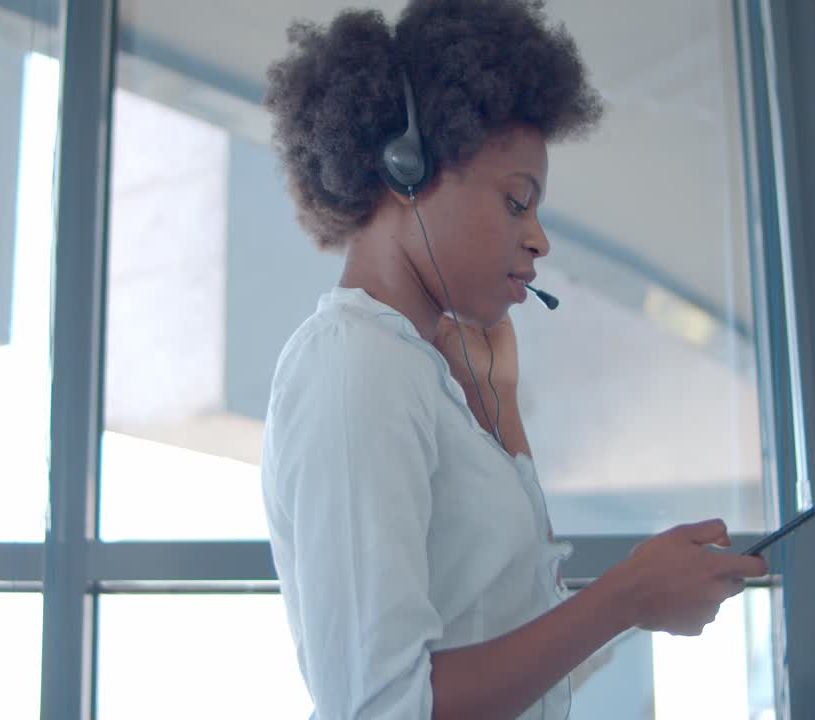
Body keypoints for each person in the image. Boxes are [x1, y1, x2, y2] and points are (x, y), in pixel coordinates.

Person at [258, 1, 768, 717]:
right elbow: (381, 706)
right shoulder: (354, 365)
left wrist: (501, 414)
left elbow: (525, 645)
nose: (538, 240)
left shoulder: (423, 373)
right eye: (516, 202)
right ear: (406, 171)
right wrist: (624, 597)